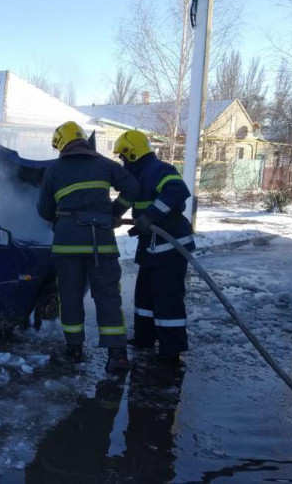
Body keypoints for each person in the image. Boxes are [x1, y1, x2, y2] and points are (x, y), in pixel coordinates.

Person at [37, 121, 140, 372]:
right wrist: (115, 212)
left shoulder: (55, 170)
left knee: (70, 297)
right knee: (108, 297)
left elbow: (43, 210)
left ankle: (74, 350)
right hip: (101, 244)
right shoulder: (104, 164)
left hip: (67, 246)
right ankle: (117, 355)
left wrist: (61, 218)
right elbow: (132, 187)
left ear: (61, 143)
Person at [112, 130, 194, 365]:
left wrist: (150, 216)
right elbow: (127, 200)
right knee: (145, 296)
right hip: (151, 246)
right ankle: (144, 339)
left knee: (167, 297)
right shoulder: (137, 175)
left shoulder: (160, 170)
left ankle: (171, 350)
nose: (122, 161)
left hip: (170, 245)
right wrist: (113, 214)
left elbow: (178, 192)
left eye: (123, 156)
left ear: (132, 153)